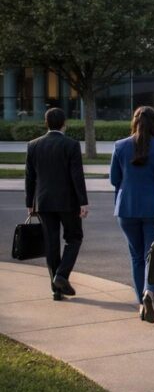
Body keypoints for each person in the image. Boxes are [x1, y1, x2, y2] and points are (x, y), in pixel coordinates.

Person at [25, 108, 89, 300]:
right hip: (68, 202)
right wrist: (83, 202)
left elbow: (30, 177)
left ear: (46, 123)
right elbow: (77, 175)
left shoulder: (33, 145)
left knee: (51, 244)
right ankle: (61, 275)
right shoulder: (71, 145)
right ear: (64, 124)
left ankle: (56, 290)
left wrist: (30, 203)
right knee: (74, 238)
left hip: (43, 202)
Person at [110, 106, 154, 323]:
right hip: (153, 208)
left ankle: (141, 302)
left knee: (136, 256)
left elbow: (114, 179)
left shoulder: (120, 146)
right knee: (152, 254)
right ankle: (149, 291)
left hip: (127, 208)